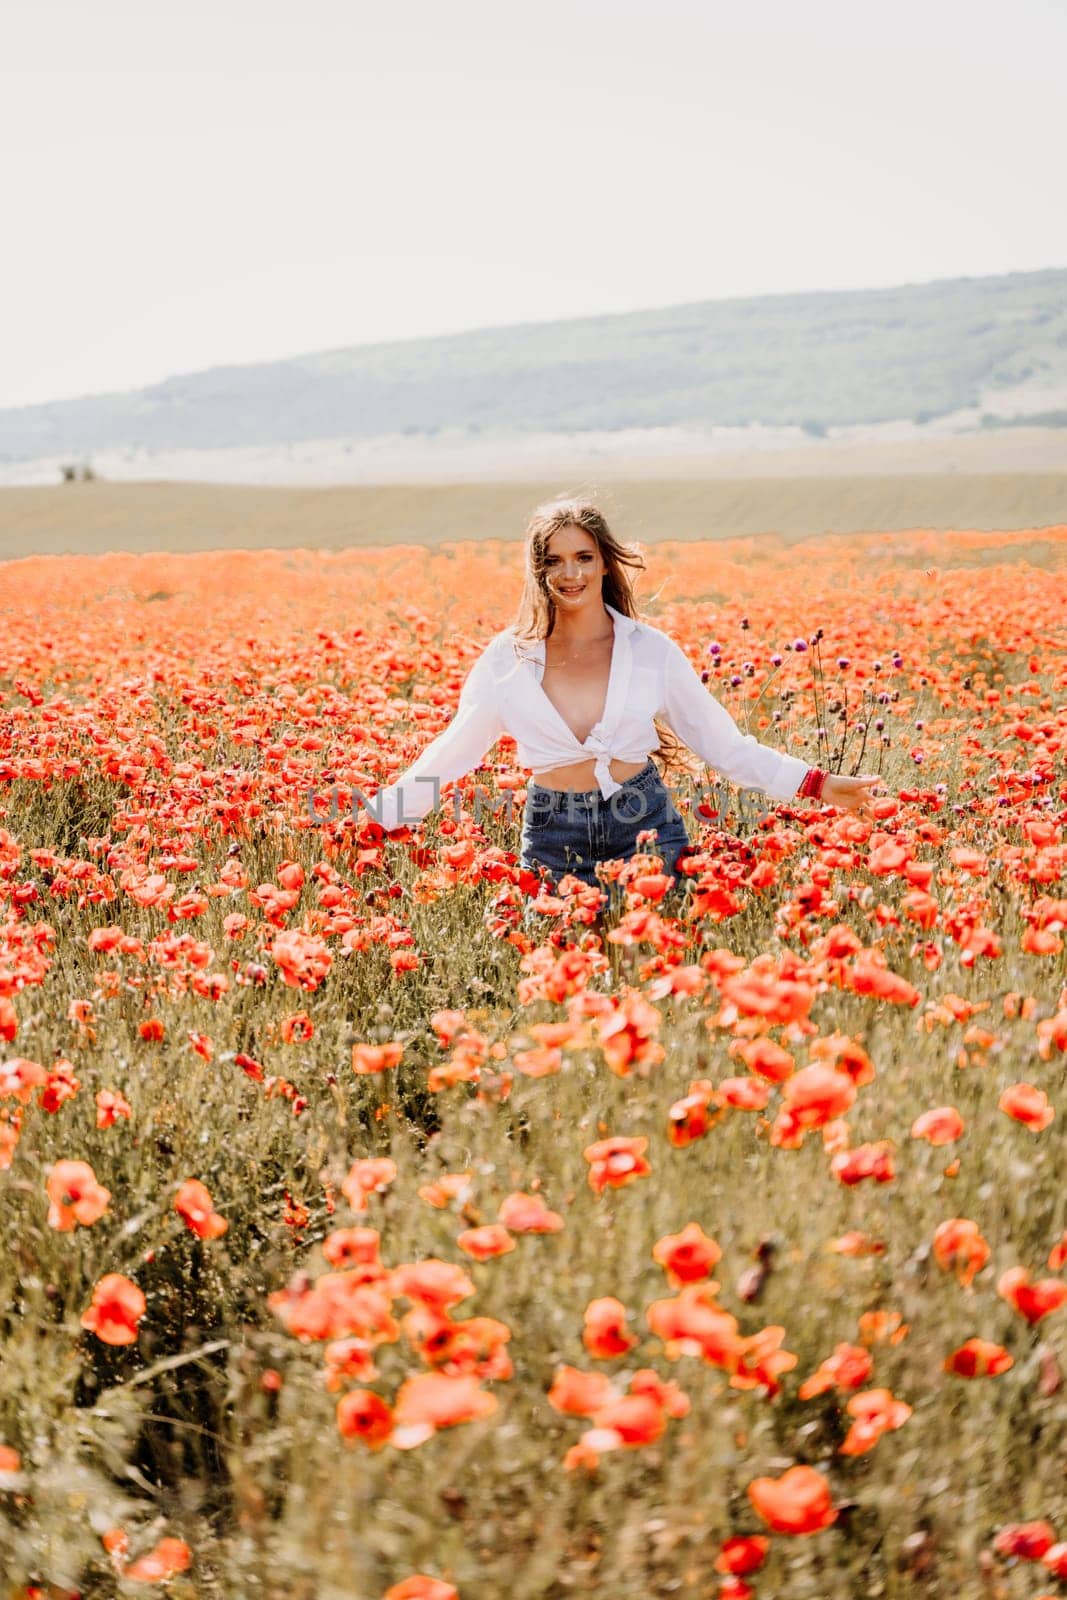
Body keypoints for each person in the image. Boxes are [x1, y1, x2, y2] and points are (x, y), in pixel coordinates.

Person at [372, 497, 883, 923]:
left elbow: (723, 746)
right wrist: (379, 816)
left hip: (644, 826)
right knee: (560, 989)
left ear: (605, 562)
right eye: (553, 561)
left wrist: (817, 784)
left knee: (654, 977)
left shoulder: (649, 650)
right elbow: (453, 751)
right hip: (554, 833)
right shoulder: (509, 660)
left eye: (583, 557)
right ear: (537, 570)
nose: (570, 573)